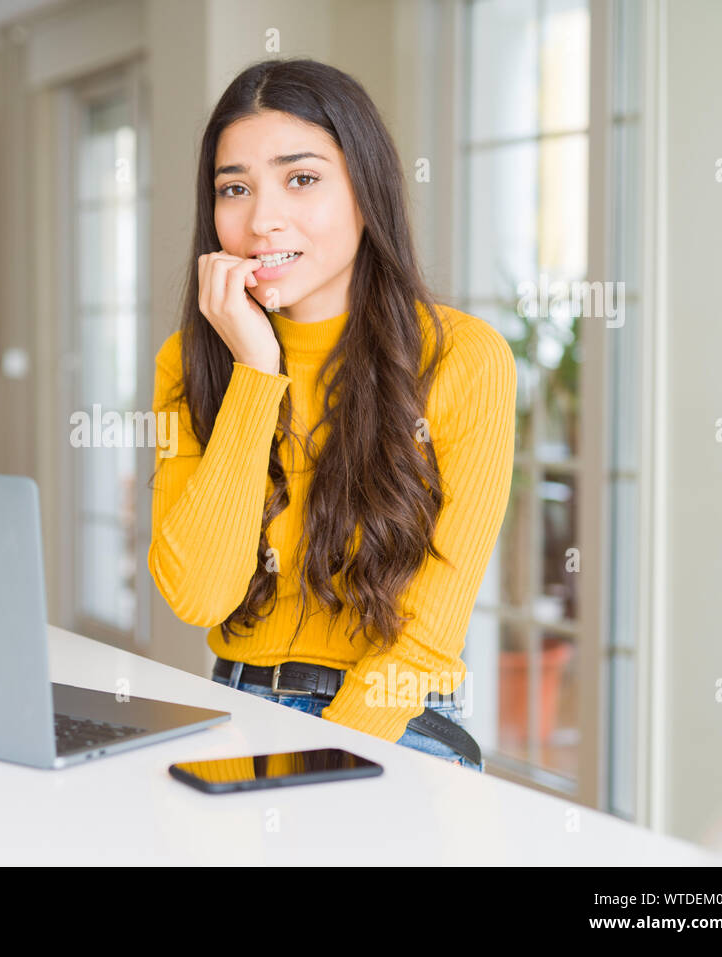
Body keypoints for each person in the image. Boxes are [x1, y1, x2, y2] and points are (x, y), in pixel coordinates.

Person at [148, 57, 518, 772]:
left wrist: (320, 756)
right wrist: (256, 373)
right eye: (235, 188)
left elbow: (427, 639)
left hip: (396, 720)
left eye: (302, 178)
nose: (262, 219)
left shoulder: (465, 358)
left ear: (364, 190)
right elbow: (200, 595)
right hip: (235, 708)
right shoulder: (189, 359)